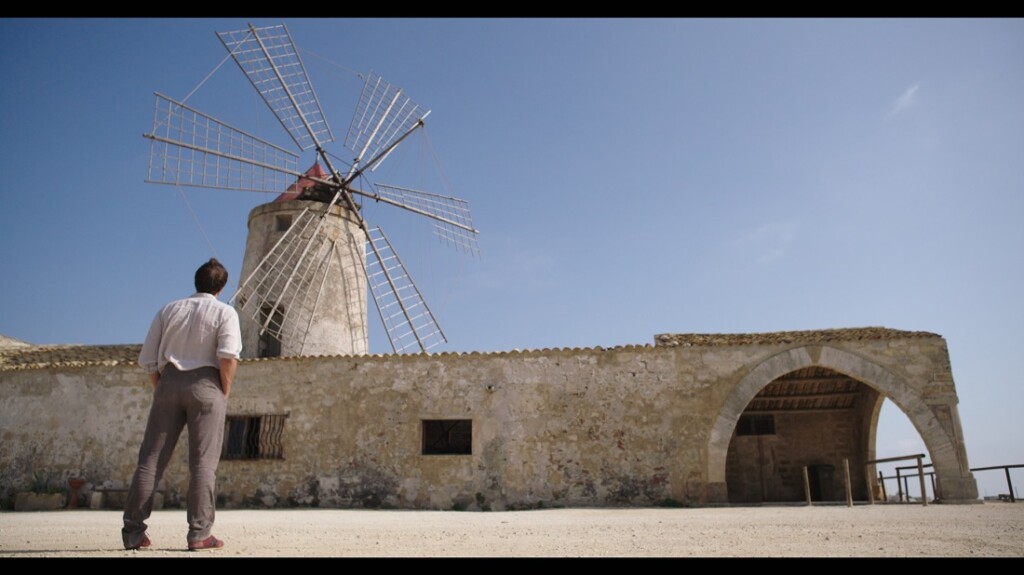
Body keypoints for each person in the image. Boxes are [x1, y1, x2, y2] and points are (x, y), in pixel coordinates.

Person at [122, 258, 242, 551]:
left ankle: (134, 533)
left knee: (150, 460)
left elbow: (148, 359)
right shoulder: (225, 312)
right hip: (208, 384)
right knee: (203, 463)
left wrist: (162, 388)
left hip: (168, 382)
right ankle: (200, 533)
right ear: (222, 287)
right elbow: (227, 356)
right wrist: (223, 391)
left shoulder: (168, 310)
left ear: (196, 281)